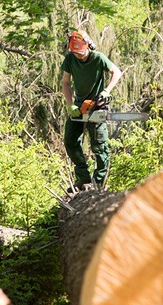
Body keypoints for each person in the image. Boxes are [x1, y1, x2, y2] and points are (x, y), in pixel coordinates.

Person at [61, 30, 122, 192]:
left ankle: (97, 183)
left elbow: (117, 72)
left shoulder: (98, 58)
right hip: (79, 107)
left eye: (81, 53)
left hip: (97, 106)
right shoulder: (69, 59)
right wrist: (70, 104)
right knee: (70, 140)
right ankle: (83, 177)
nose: (78, 56)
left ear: (89, 45)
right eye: (76, 53)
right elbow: (66, 83)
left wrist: (107, 90)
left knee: (99, 146)